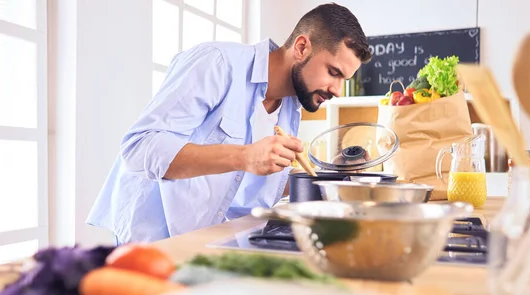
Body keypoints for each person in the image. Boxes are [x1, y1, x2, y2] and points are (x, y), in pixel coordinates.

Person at [86, 3, 372, 245]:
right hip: (153, 241)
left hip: (211, 243)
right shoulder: (217, 63)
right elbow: (139, 149)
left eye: (343, 79)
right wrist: (245, 156)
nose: (336, 90)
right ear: (301, 47)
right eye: (333, 72)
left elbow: (252, 181)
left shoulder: (290, 107)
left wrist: (329, 176)